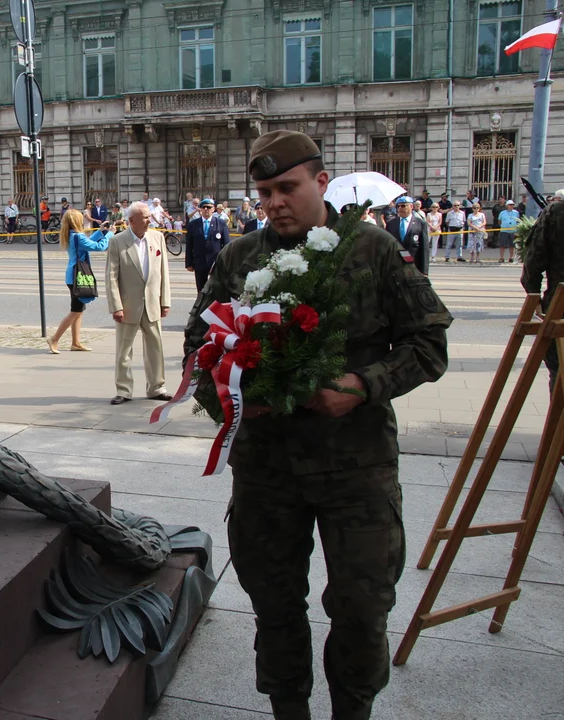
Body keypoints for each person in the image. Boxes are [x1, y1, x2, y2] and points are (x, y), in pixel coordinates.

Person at [184, 130, 451, 720]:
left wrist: (361, 385)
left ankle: (353, 710)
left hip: (355, 467)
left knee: (361, 604)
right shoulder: (239, 257)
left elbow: (428, 343)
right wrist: (230, 402)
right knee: (274, 603)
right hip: (267, 469)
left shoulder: (373, 250)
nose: (274, 202)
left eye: (287, 188)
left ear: (321, 182)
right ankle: (289, 710)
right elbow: (198, 348)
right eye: (264, 192)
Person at [106, 201, 172, 405]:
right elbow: (111, 276)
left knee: (155, 347)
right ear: (131, 221)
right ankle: (123, 390)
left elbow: (163, 272)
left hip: (152, 303)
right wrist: (115, 305)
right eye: (145, 217)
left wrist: (165, 301)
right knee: (124, 351)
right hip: (127, 306)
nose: (149, 220)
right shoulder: (118, 241)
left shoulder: (157, 237)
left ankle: (157, 387)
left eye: (149, 216)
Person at [46, 209, 112, 354]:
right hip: (77, 276)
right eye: (80, 219)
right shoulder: (77, 236)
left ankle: (75, 342)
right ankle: (54, 339)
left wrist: (101, 232)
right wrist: (110, 234)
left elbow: (88, 242)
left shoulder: (72, 235)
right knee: (75, 311)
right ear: (76, 221)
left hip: (73, 275)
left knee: (79, 310)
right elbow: (99, 246)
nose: (82, 221)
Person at [520, 200, 564, 387]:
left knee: (559, 370)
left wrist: (533, 294)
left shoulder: (557, 212)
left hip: (560, 306)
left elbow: (533, 259)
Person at [184, 197, 230, 293]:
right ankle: (202, 307)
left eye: (208, 207)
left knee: (217, 289)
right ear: (200, 209)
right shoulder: (193, 224)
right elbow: (189, 245)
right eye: (203, 207)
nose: (206, 209)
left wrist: (226, 263)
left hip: (216, 262)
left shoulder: (221, 223)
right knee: (201, 290)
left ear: (213, 209)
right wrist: (189, 263)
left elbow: (226, 245)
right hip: (199, 262)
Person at [386, 196, 429, 274]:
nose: (400, 208)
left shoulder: (420, 223)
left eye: (403, 206)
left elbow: (424, 248)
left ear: (411, 206)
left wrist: (424, 272)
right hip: (395, 265)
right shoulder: (391, 223)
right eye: (398, 206)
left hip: (414, 264)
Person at [497, 199, 520, 263]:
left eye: (512, 205)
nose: (511, 206)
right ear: (507, 205)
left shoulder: (516, 212)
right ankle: (501, 257)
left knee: (512, 245)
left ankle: (511, 257)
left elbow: (517, 220)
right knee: (502, 245)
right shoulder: (502, 213)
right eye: (510, 205)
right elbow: (499, 221)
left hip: (513, 230)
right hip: (504, 230)